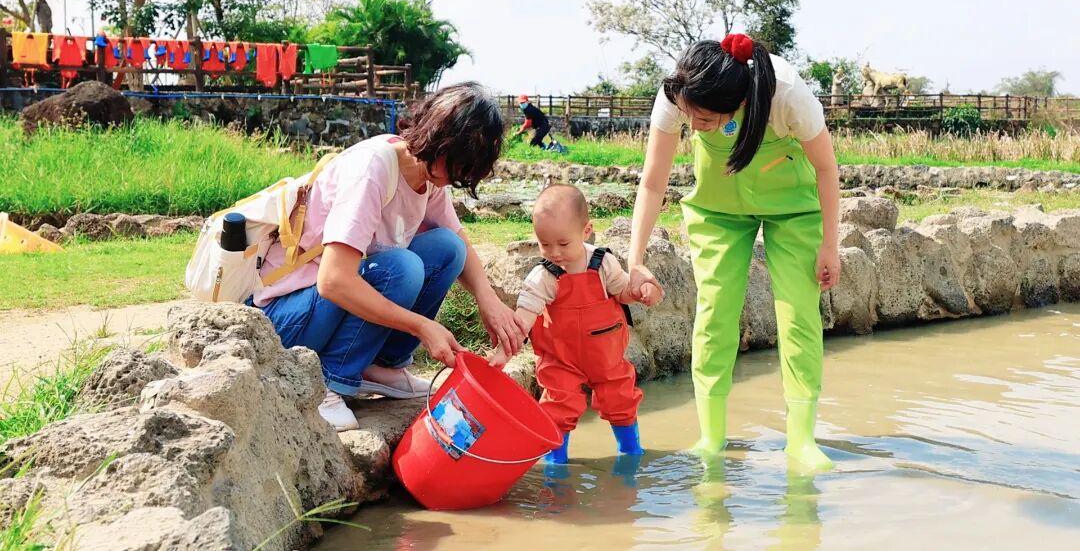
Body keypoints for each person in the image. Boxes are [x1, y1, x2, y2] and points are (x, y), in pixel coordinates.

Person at [250, 82, 529, 432]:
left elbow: (458, 240)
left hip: (322, 309)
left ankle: (382, 367)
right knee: (401, 267)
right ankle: (327, 378)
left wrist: (488, 300)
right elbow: (333, 280)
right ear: (437, 138)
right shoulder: (373, 170)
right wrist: (422, 326)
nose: (451, 179)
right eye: (455, 165)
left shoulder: (428, 176)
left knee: (448, 249)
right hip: (286, 315)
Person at [625, 34, 841, 471]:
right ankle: (711, 437)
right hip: (718, 208)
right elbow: (653, 180)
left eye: (705, 120)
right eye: (689, 117)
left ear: (739, 103)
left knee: (798, 315)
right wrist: (635, 259)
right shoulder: (678, 92)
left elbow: (825, 168)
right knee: (714, 314)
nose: (694, 127)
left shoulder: (786, 93)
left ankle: (801, 440)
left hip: (794, 209)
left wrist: (829, 246)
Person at [490, 184, 661, 463]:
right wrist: (503, 353)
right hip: (561, 359)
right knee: (558, 405)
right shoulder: (543, 277)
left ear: (586, 231)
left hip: (606, 357)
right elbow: (523, 319)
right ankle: (556, 463)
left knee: (621, 398)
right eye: (545, 244)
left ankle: (631, 452)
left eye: (563, 243)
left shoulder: (603, 263)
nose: (554, 252)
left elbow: (622, 292)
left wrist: (641, 292)